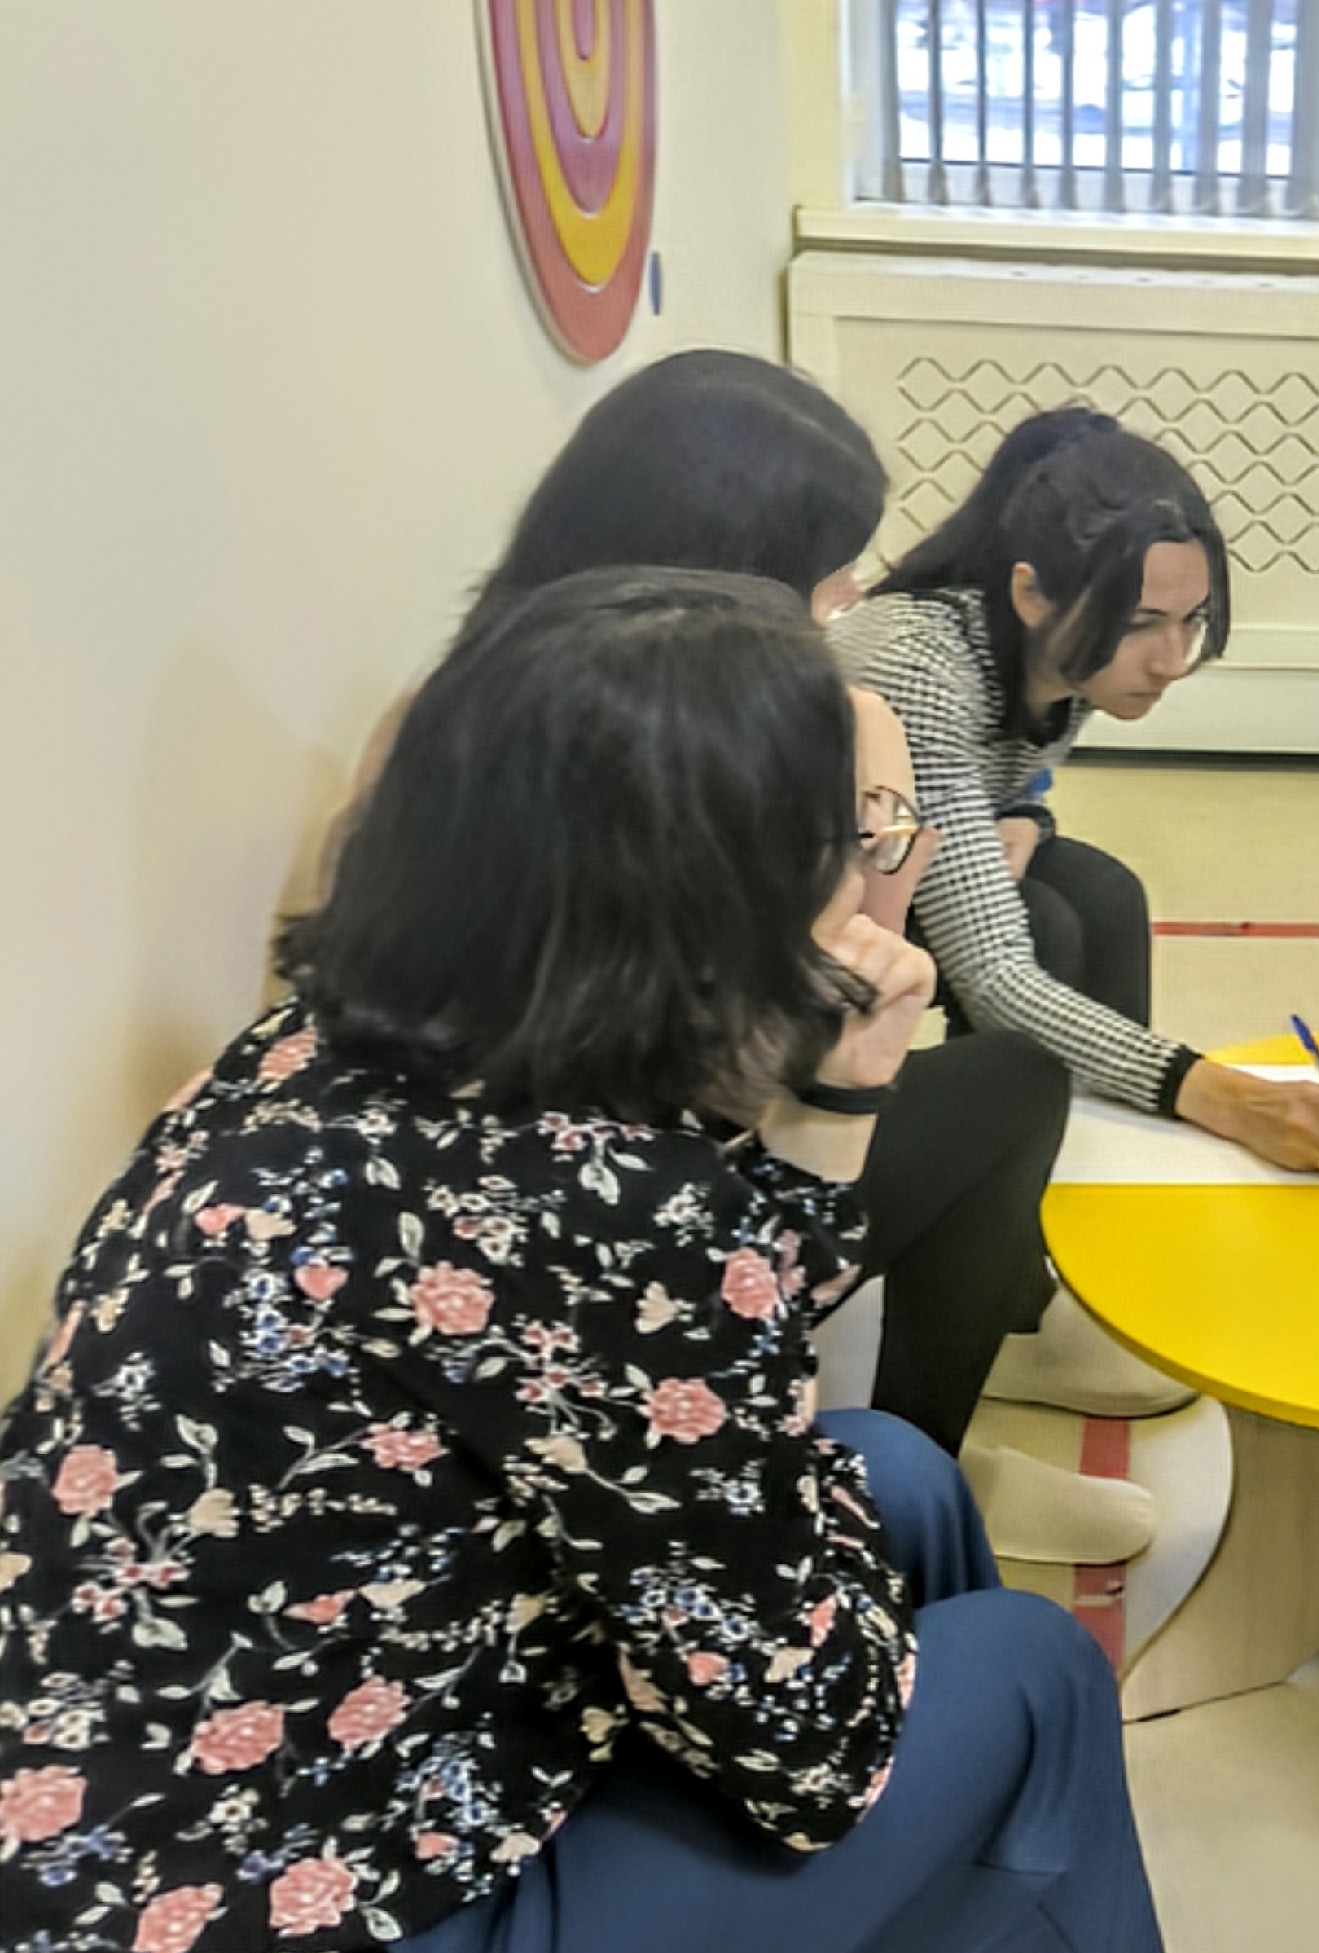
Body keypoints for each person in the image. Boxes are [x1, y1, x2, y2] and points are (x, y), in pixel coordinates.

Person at [0, 569, 1225, 1953]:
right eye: (848, 845)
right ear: (699, 911)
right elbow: (806, 1725)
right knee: (1032, 1687)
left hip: (156, 1899)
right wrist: (828, 1112)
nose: (878, 884)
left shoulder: (323, 1048)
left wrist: (821, 1110)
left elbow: (679, 1413)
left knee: (896, 1482)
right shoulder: (594, 1216)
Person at [472, 353, 1152, 1566]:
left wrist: (963, 817)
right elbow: (846, 1002)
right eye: (825, 571)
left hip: (558, 1183)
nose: (845, 601)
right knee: (1009, 1075)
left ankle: (1014, 1317)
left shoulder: (473, 692)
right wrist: (877, 784)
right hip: (638, 1220)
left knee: (1076, 907)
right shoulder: (710, 738)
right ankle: (926, 1460)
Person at [830, 407, 1319, 1184]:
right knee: (1043, 937)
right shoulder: (917, 666)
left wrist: (1024, 811)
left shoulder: (1063, 649)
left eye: (1191, 621)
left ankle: (1102, 1176)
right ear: (1030, 593)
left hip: (898, 856)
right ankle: (983, 1194)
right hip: (801, 914)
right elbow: (994, 975)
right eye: (1141, 623)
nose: (1171, 661)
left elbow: (993, 771)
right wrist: (1220, 1096)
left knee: (1105, 896)